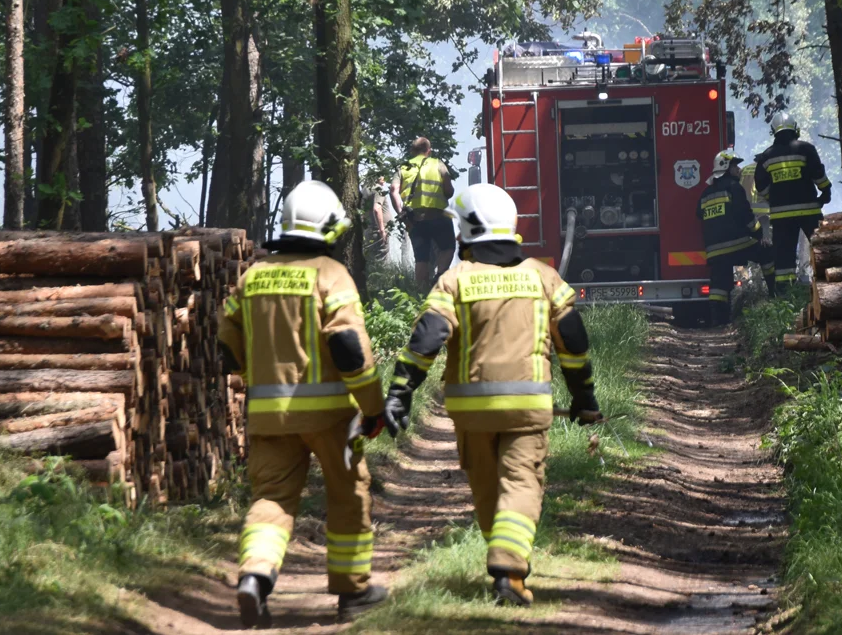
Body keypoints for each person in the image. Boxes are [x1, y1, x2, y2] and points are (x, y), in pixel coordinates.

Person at [383, 183, 603, 607]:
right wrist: (585, 398)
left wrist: (400, 393)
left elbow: (427, 338)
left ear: (465, 231)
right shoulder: (543, 277)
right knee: (521, 486)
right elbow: (572, 341)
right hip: (527, 407)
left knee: (487, 491)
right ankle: (509, 568)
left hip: (471, 413)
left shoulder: (454, 281)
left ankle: (506, 562)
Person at [218, 180, 393, 627]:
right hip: (332, 418)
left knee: (272, 499)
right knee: (349, 495)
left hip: (268, 417)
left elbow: (226, 348)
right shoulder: (330, 275)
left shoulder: (253, 276)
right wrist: (373, 407)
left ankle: (255, 576)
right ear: (329, 228)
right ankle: (352, 593)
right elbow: (350, 350)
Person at [753, 112, 832, 287]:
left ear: (774, 131)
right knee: (822, 250)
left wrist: (773, 197)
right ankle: (827, 285)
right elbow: (818, 175)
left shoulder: (766, 157)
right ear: (795, 128)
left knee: (783, 258)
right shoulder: (806, 149)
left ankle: (784, 294)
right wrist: (825, 192)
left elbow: (761, 186)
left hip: (782, 217)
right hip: (809, 211)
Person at [699, 151, 775, 326]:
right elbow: (746, 216)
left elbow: (699, 213)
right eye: (735, 166)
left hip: (714, 250)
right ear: (726, 168)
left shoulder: (705, 193)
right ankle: (775, 294)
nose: (738, 169)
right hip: (737, 243)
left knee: (719, 282)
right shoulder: (734, 188)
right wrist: (759, 234)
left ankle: (718, 320)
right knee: (767, 253)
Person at [390, 137, 458, 289]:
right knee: (448, 248)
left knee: (421, 258)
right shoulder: (438, 164)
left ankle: (421, 295)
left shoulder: (403, 167)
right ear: (429, 150)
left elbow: (393, 190)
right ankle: (439, 277)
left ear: (412, 151)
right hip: (438, 216)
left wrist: (401, 211)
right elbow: (449, 190)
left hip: (415, 219)